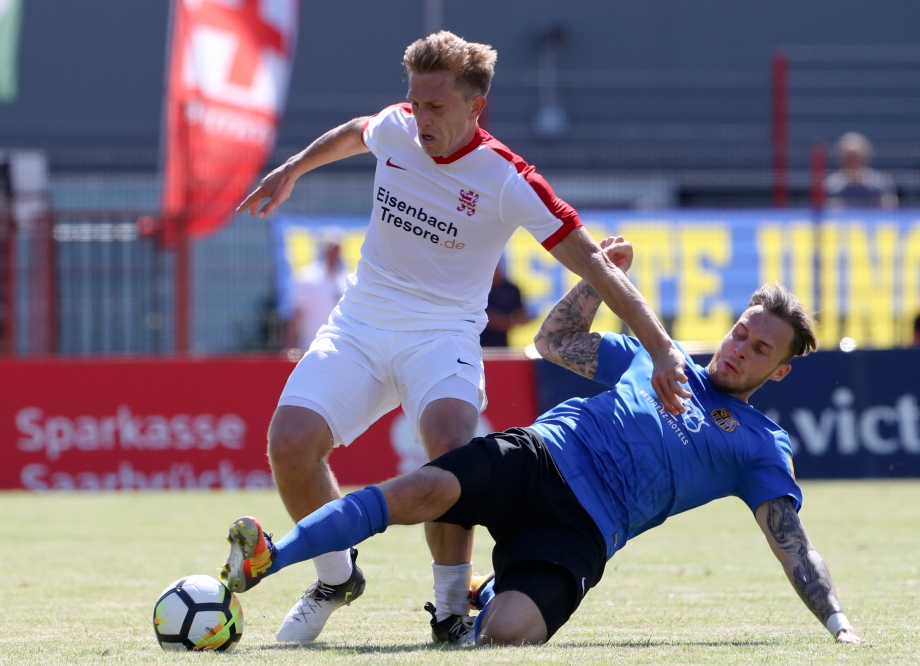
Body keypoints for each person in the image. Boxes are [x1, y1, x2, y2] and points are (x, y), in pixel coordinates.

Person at [235, 32, 689, 644]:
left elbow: (595, 264)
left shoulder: (508, 178)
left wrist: (662, 348)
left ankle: (450, 610)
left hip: (442, 335)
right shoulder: (396, 127)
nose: (420, 117)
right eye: (415, 102)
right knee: (289, 444)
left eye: (436, 106)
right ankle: (335, 578)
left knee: (451, 453)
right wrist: (292, 169)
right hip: (361, 322)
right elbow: (354, 132)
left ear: (476, 107)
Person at [220, 237, 863, 647]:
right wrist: (597, 278)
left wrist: (837, 623)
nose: (740, 348)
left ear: (779, 371)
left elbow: (792, 543)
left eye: (760, 349)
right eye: (741, 332)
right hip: (539, 456)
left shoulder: (760, 445)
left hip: (583, 530)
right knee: (425, 486)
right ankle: (272, 557)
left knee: (508, 635)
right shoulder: (656, 356)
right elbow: (553, 342)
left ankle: (486, 598)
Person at [286, 231, 348, 352]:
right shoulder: (307, 278)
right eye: (331, 247)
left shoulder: (346, 280)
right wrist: (290, 347)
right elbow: (295, 316)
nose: (334, 252)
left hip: (340, 350)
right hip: (311, 347)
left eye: (337, 248)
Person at [824, 132, 898, 210]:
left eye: (856, 158)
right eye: (849, 158)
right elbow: (823, 208)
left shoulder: (880, 181)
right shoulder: (830, 184)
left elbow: (891, 206)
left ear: (866, 157)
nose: (853, 162)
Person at [480, 263, 527, 347]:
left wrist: (506, 321)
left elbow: (521, 316)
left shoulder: (511, 289)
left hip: (501, 342)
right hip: (479, 340)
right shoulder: (479, 289)